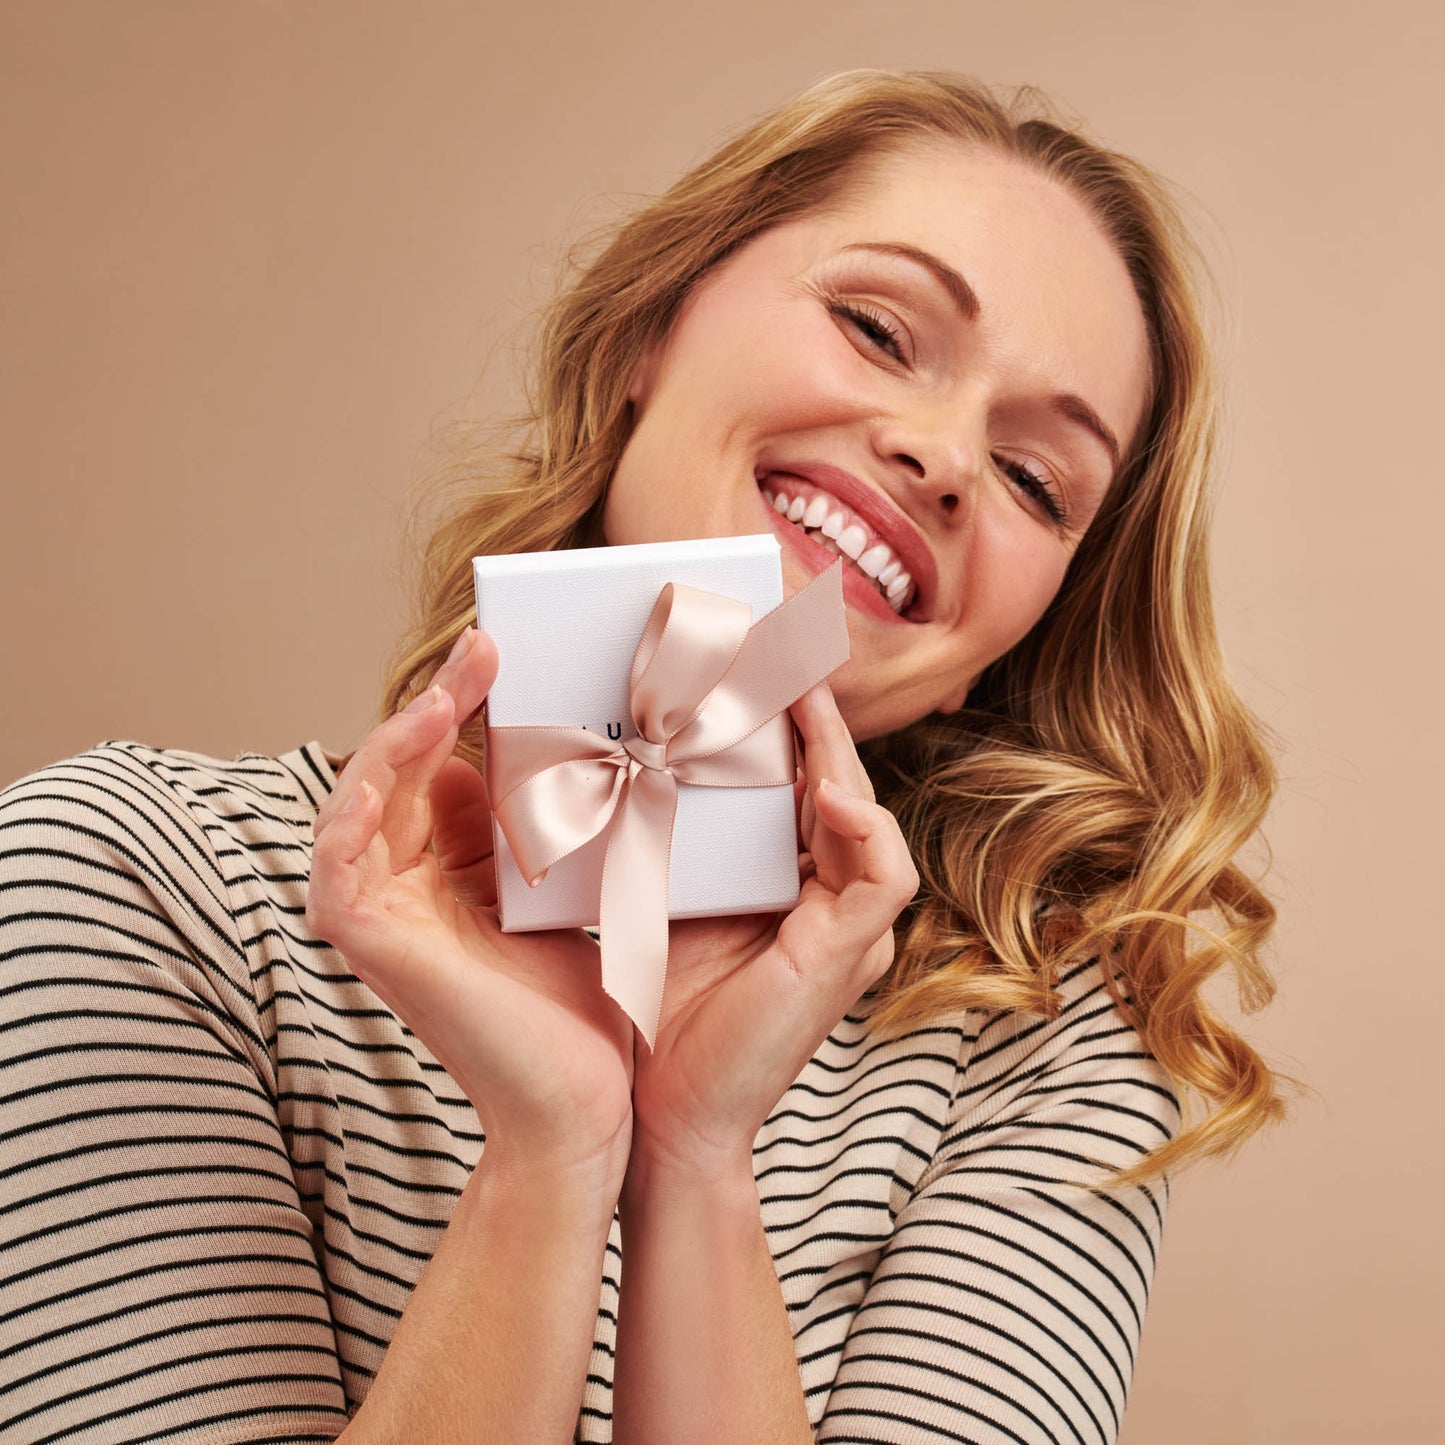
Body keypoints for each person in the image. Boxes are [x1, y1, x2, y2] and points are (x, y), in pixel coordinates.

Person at [0, 70, 1283, 1444]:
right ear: (646, 336)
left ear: (1013, 635)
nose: (941, 455)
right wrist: (549, 1154)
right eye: (873, 325)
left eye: (1036, 481)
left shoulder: (1042, 1054)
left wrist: (693, 1155)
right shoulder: (122, 879)